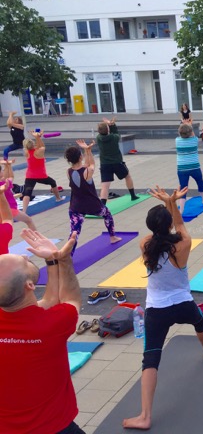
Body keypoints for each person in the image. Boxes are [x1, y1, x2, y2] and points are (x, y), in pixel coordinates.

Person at [123, 186, 203, 430]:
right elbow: (180, 224)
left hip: (157, 309)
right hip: (183, 304)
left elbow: (164, 230)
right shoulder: (183, 245)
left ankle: (144, 416)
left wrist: (167, 203)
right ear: (167, 224)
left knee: (150, 360)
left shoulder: (145, 244)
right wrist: (172, 202)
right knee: (200, 323)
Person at [0, 229, 83, 434]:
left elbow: (47, 303)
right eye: (24, 261)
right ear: (29, 285)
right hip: (55, 428)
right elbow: (70, 299)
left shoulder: (46, 322)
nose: (24, 255)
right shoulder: (53, 324)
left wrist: (52, 262)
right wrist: (63, 260)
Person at [65, 141, 121, 253]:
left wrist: (87, 150)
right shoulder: (88, 171)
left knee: (74, 232)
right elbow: (91, 165)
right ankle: (112, 237)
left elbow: (85, 166)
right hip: (92, 205)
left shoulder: (68, 172)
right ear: (80, 157)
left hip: (76, 206)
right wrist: (88, 150)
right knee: (107, 214)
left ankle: (68, 255)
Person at [96, 117, 139, 205]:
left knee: (105, 185)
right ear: (108, 129)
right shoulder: (113, 137)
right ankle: (133, 195)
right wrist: (112, 125)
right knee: (127, 176)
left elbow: (106, 132)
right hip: (117, 162)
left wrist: (108, 125)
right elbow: (116, 133)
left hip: (105, 164)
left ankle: (102, 205)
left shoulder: (98, 138)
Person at [21, 131, 64, 215]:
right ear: (33, 144)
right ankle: (58, 198)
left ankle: (24, 211)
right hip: (41, 176)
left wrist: (37, 137)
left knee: (27, 193)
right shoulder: (39, 152)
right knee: (53, 182)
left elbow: (34, 146)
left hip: (30, 176)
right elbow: (42, 146)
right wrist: (37, 137)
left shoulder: (26, 152)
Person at [175, 123, 203, 212]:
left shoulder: (177, 140)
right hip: (194, 167)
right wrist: (190, 126)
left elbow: (185, 133)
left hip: (182, 168)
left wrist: (185, 125)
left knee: (183, 188)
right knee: (200, 182)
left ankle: (181, 210)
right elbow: (192, 134)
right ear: (190, 132)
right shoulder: (194, 140)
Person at [0, 160, 36, 230]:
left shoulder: (3, 183)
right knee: (29, 220)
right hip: (11, 209)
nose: (3, 172)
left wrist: (7, 166)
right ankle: (37, 239)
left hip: (2, 210)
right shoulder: (4, 184)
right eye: (2, 171)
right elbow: (11, 176)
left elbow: (8, 176)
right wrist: (8, 166)